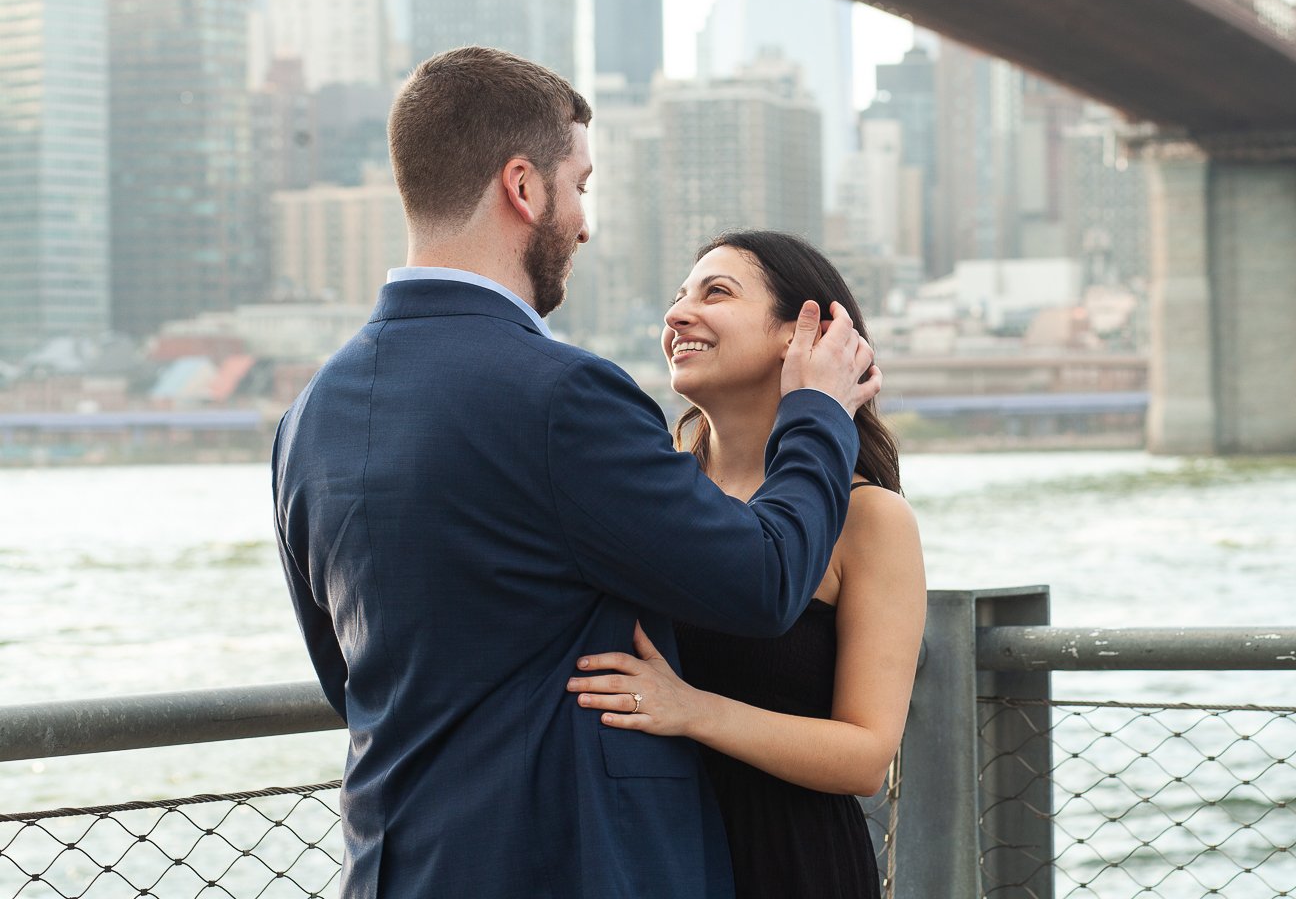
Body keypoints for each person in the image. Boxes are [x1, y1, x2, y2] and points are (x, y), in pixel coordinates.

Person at [272, 48, 880, 899]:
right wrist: (817, 413)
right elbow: (767, 579)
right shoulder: (563, 395)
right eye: (582, 184)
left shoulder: (309, 417)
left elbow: (347, 679)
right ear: (525, 188)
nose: (585, 223)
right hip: (572, 865)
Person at [565, 231, 926, 899]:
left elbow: (866, 756)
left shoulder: (869, 520)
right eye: (677, 298)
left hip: (790, 864)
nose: (677, 315)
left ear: (805, 333)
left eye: (716, 293)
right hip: (643, 853)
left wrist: (691, 710)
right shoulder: (656, 497)